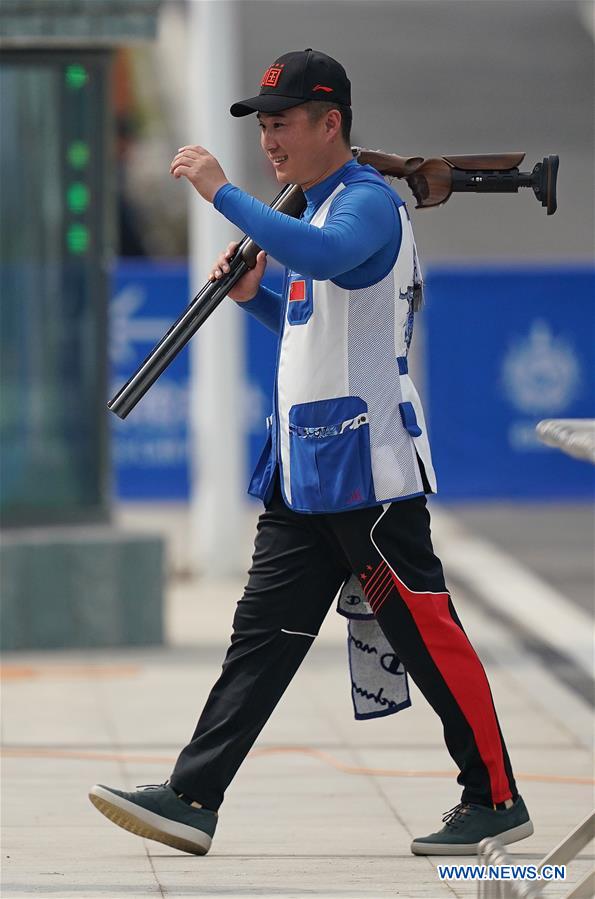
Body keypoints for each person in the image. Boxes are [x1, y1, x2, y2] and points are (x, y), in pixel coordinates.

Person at [89, 48, 533, 858]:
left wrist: (220, 193)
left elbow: (326, 262)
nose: (270, 139)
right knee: (259, 639)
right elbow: (310, 323)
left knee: (428, 636)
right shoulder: (317, 212)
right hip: (306, 471)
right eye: (262, 125)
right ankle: (193, 793)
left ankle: (494, 797)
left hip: (367, 473)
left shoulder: (362, 205)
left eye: (283, 122)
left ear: (332, 124)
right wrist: (257, 297)